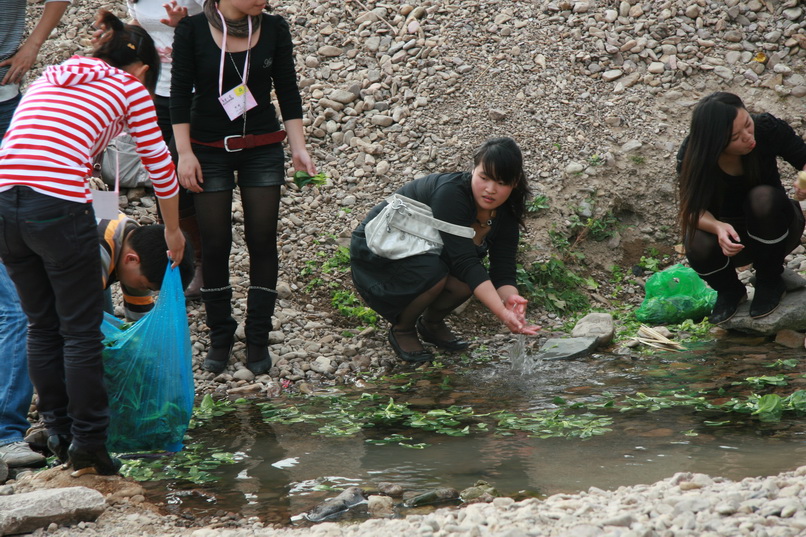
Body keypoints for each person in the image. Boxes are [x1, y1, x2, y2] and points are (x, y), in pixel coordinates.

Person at [0, 10, 186, 476]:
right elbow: (161, 168)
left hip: (5, 202)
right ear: (143, 70)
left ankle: (58, 433)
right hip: (56, 206)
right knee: (81, 331)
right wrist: (173, 231)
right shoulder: (129, 87)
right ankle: (90, 444)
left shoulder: (54, 75)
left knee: (42, 326)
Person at [171, 0, 316, 375]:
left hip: (262, 147)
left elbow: (287, 88)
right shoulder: (191, 30)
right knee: (215, 242)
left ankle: (257, 337)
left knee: (262, 239)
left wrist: (298, 147)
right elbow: (179, 95)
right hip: (207, 149)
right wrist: (184, 154)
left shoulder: (274, 27)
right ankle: (220, 336)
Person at [350, 137, 540, 363]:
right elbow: (465, 262)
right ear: (473, 170)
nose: (490, 190)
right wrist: (501, 313)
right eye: (484, 178)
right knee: (437, 272)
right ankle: (403, 328)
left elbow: (503, 270)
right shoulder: (451, 194)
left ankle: (431, 323)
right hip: (378, 252)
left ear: (515, 182)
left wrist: (511, 300)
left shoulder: (505, 213)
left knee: (467, 281)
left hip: (421, 254)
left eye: (501, 182)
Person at [0, 0, 70, 469]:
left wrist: (34, 43)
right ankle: (6, 431)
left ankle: (33, 424)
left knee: (26, 302)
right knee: (17, 307)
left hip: (9, 100)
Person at [677, 92, 806, 324]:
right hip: (732, 243)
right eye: (736, 137)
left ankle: (770, 280)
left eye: (747, 124)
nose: (748, 137)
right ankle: (730, 291)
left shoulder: (765, 128)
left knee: (761, 198)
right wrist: (718, 227)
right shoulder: (693, 154)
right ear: (715, 143)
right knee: (695, 240)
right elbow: (691, 210)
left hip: (778, 225)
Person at [127, 0, 206, 299]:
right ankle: (173, 259)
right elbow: (139, 25)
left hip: (198, 90)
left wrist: (186, 27)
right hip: (157, 90)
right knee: (162, 172)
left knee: (180, 171)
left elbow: (231, 25)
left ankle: (200, 261)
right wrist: (119, 38)